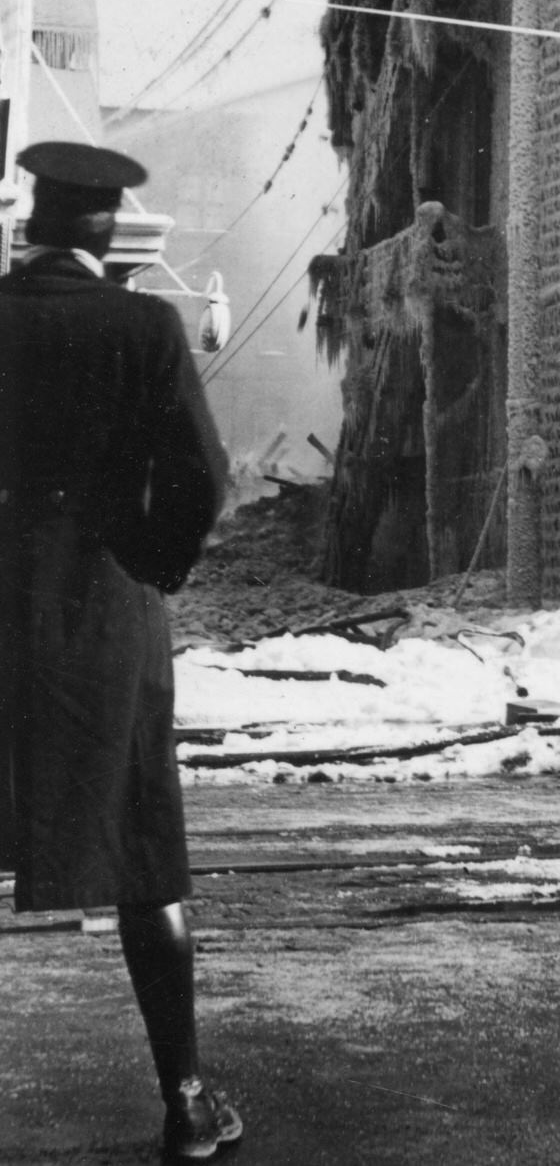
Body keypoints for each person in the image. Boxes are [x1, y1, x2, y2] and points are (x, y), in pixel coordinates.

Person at [0, 141, 242, 1159]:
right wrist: (155, 561)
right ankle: (185, 1105)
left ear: (33, 223)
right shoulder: (144, 324)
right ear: (108, 229)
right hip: (104, 615)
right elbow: (202, 476)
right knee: (147, 855)